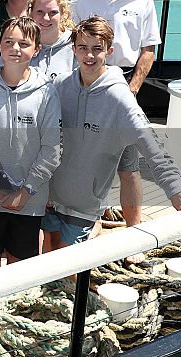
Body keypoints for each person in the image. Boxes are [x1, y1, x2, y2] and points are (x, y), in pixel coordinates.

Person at [45, 17, 181, 248]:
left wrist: (177, 194)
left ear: (109, 51)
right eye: (83, 48)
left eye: (97, 49)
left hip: (84, 207)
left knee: (70, 276)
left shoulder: (120, 100)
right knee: (47, 268)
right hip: (48, 199)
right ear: (73, 50)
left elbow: (156, 155)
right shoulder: (59, 87)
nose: (89, 55)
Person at [72, 0, 161, 228]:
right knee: (87, 162)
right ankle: (89, 227)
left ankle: (134, 234)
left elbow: (148, 49)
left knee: (129, 166)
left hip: (123, 83)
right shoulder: (81, 1)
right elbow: (70, 46)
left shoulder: (143, 0)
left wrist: (132, 89)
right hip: (87, 83)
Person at [0, 17, 62, 272]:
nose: (15, 48)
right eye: (9, 42)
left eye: (24, 44)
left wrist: (26, 191)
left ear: (37, 49)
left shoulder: (46, 91)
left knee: (19, 269)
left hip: (29, 202)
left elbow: (52, 149)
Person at [28, 0, 76, 81]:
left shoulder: (77, 45)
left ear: (63, 14)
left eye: (53, 13)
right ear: (31, 13)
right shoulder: (20, 43)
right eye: (40, 12)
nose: (45, 18)